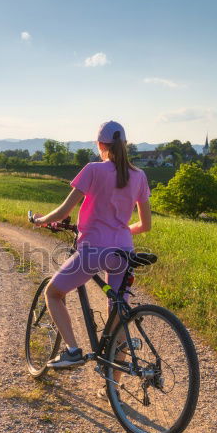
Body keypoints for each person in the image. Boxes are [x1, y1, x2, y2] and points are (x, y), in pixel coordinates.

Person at [31, 120, 151, 368]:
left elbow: (64, 211)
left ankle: (73, 351)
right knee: (117, 320)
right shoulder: (139, 176)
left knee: (53, 293)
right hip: (124, 252)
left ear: (100, 145)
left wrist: (40, 220)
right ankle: (113, 390)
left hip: (93, 250)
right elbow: (145, 225)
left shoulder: (93, 170)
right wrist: (120, 231)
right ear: (125, 144)